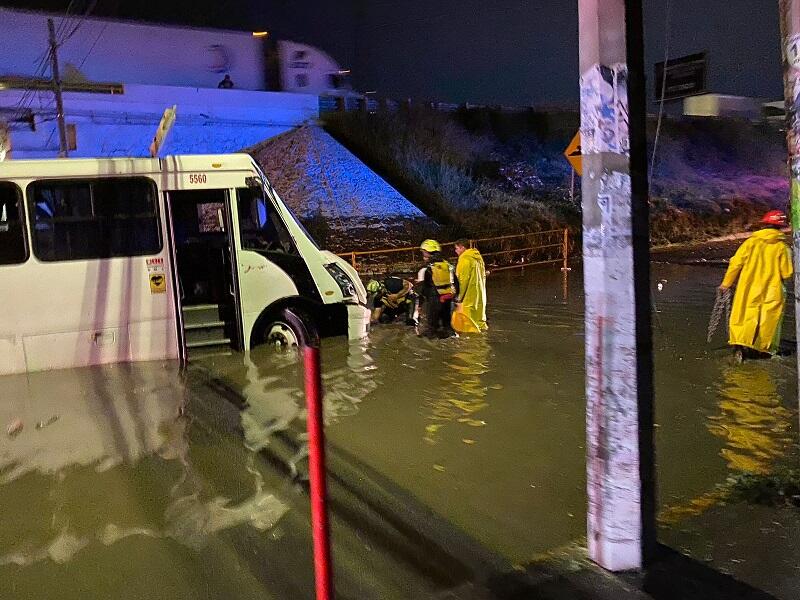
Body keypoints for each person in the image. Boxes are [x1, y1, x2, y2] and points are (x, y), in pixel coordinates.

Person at [719, 210, 793, 360]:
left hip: (748, 287)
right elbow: (787, 273)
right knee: (768, 320)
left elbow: (735, 263)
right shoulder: (782, 248)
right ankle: (763, 350)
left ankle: (740, 344)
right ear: (780, 228)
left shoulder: (750, 243)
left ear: (764, 224)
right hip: (773, 290)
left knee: (745, 315)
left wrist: (726, 284)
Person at [416, 239, 458, 338]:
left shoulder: (426, 269)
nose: (423, 256)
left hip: (434, 300)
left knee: (431, 328)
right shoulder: (448, 265)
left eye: (424, 253)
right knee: (447, 325)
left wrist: (420, 304)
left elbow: (423, 289)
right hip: (447, 300)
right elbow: (456, 283)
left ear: (428, 253)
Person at [453, 239, 488, 333]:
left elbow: (462, 281)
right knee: (480, 323)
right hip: (480, 296)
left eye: (456, 248)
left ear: (462, 247)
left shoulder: (464, 259)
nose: (455, 251)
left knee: (468, 326)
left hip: (468, 297)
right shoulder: (478, 258)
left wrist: (458, 297)